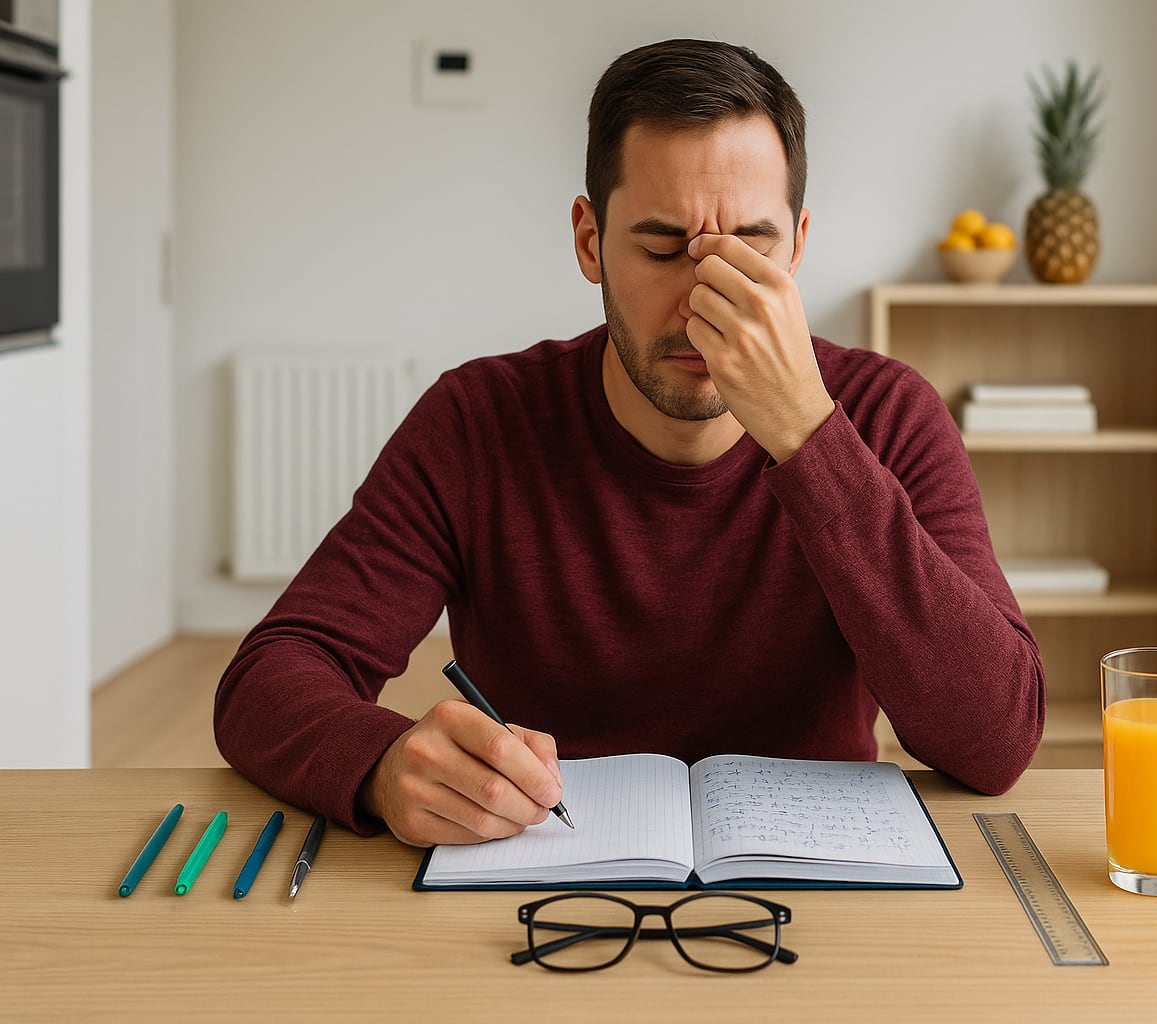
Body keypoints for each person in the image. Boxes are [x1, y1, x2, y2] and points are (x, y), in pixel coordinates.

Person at [214, 38, 1045, 847]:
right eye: (661, 247)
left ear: (797, 245)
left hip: (814, 895)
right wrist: (383, 765)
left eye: (750, 249)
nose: (702, 302)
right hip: (535, 885)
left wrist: (805, 434)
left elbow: (996, 741)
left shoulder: (888, 413)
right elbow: (272, 676)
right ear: (589, 242)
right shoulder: (478, 421)